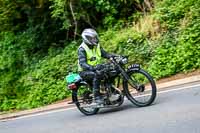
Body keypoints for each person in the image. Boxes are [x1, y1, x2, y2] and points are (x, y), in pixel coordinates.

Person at [78, 28, 114, 105]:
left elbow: (105, 54)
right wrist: (93, 68)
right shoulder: (82, 49)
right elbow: (82, 63)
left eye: (95, 37)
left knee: (110, 71)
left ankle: (110, 92)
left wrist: (115, 56)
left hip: (95, 67)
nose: (94, 39)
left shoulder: (96, 45)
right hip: (84, 71)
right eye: (92, 38)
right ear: (87, 38)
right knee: (97, 74)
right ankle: (96, 97)